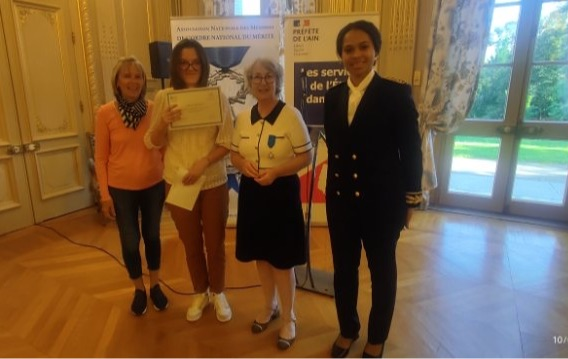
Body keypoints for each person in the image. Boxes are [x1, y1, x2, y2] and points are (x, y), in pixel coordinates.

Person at [323, 20, 423, 358]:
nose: (356, 55)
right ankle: (348, 329)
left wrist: (411, 198)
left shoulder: (396, 94)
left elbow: (411, 149)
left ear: (375, 50)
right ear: (341, 55)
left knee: (382, 273)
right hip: (341, 203)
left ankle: (377, 336)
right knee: (344, 272)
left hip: (382, 203)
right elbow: (336, 149)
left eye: (363, 46)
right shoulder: (333, 95)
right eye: (349, 49)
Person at [144, 39, 234, 323]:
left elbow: (227, 141)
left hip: (212, 180)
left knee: (215, 241)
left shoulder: (216, 95)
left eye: (195, 62)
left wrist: (204, 161)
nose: (190, 67)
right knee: (191, 242)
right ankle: (201, 291)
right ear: (176, 66)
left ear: (203, 65)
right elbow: (151, 141)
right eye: (184, 63)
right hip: (178, 180)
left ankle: (218, 291)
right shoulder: (164, 98)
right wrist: (163, 122)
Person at [231, 58, 313, 350]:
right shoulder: (242, 118)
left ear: (277, 80)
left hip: (281, 194)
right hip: (253, 194)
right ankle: (269, 306)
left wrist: (276, 172)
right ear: (249, 83)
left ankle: (288, 318)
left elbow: (306, 157)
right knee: (261, 256)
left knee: (282, 260)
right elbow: (234, 155)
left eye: (268, 76)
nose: (262, 82)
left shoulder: (291, 115)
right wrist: (244, 165)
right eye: (256, 77)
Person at [94, 56, 168, 316]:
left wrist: (169, 181)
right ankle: (139, 288)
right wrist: (105, 195)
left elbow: (164, 146)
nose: (133, 81)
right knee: (129, 242)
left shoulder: (154, 109)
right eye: (127, 76)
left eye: (138, 76)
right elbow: (101, 158)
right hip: (120, 189)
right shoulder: (105, 113)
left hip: (153, 185)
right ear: (117, 82)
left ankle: (156, 285)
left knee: (152, 237)